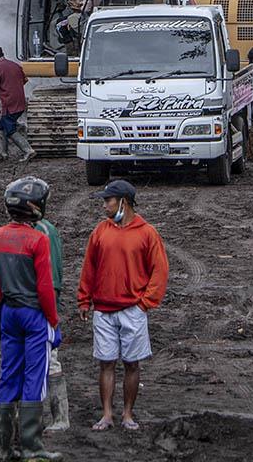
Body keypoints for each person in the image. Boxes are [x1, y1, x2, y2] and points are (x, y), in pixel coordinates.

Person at [77, 180, 169, 432]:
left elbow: (160, 271)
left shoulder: (147, 233)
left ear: (123, 202)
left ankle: (127, 414)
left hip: (132, 310)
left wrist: (144, 304)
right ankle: (107, 414)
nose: (104, 205)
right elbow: (89, 267)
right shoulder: (100, 231)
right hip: (104, 310)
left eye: (108, 200)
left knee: (131, 363)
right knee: (106, 363)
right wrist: (84, 299)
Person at [0, 177, 61, 461]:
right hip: (33, 314)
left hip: (9, 312)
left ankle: (4, 447)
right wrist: (53, 320)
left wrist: (5, 303)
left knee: (9, 374)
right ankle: (33, 447)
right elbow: (45, 287)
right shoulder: (38, 239)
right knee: (35, 377)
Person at [33, 182, 70, 432]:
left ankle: (60, 417)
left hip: (37, 307)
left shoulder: (45, 231)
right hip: (32, 307)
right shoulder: (42, 230)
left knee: (49, 358)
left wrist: (51, 313)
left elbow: (54, 278)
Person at [0, 46, 35, 161]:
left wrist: (0, 93)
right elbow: (24, 80)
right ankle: (3, 154)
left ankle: (28, 150)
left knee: (10, 129)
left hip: (10, 104)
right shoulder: (15, 65)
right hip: (20, 101)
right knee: (1, 128)